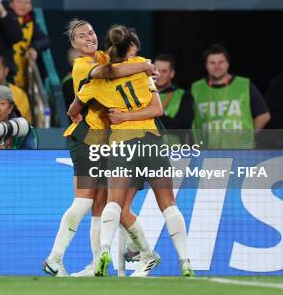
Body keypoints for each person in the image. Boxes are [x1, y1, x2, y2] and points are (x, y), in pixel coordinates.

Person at [68, 25, 193, 278]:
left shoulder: (98, 79)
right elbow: (157, 109)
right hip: (152, 141)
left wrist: (85, 115)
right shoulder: (142, 68)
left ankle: (104, 252)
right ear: (133, 47)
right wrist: (146, 65)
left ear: (110, 48)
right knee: (168, 205)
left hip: (123, 143)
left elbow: (73, 109)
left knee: (113, 204)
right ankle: (185, 261)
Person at [43, 20, 156, 278]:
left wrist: (146, 73)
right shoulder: (82, 65)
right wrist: (147, 66)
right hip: (86, 139)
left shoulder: (106, 55)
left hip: (108, 141)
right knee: (83, 202)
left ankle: (96, 264)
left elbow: (125, 63)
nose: (89, 38)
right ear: (74, 44)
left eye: (91, 33)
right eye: (81, 36)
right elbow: (110, 74)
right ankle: (54, 258)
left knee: (101, 205)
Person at [191, 44, 270, 148]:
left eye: (221, 62)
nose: (217, 66)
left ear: (227, 64)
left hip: (241, 151)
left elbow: (264, 115)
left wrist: (249, 136)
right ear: (206, 65)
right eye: (212, 63)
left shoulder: (244, 85)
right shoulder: (196, 88)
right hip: (207, 152)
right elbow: (186, 120)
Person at [9, 0, 50, 90]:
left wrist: (34, 47)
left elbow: (45, 40)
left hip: (23, 76)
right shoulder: (4, 20)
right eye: (19, 1)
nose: (23, 5)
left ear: (31, 7)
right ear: (11, 4)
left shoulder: (31, 24)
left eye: (26, 2)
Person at [153, 54, 194, 144]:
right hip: (145, 152)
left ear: (172, 73)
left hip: (174, 152)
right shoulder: (143, 94)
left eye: (164, 71)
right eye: (156, 70)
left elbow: (182, 127)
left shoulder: (183, 95)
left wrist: (158, 115)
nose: (159, 75)